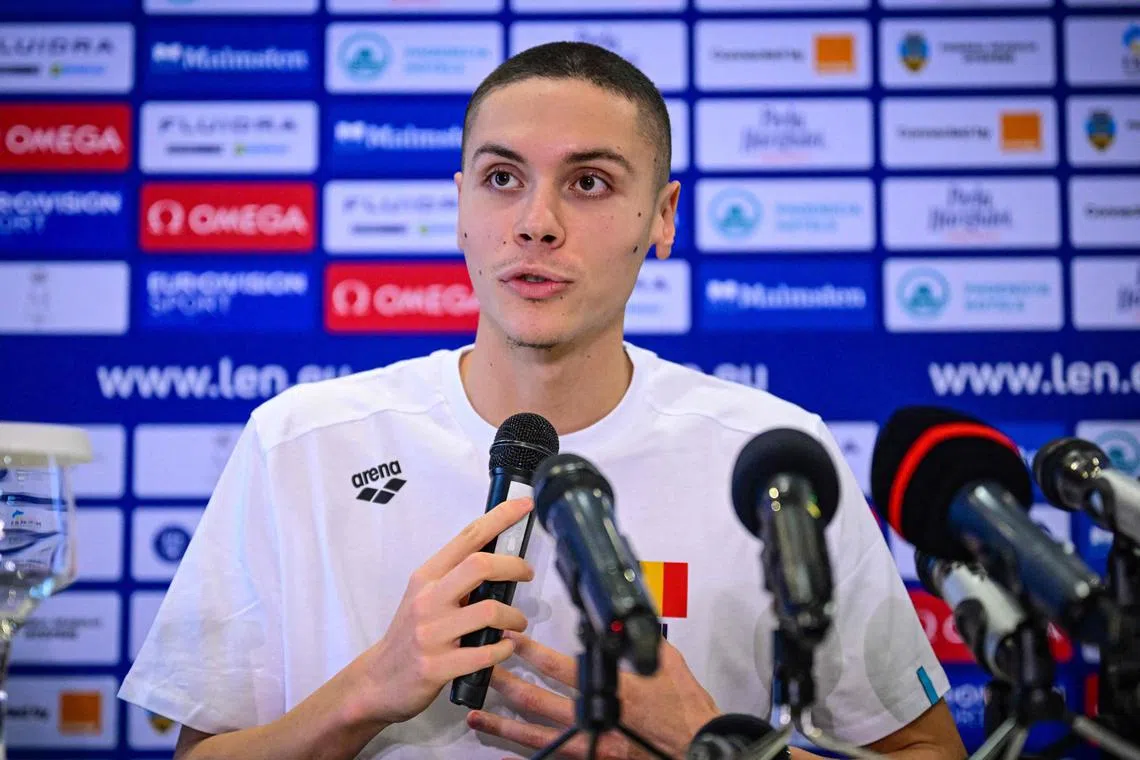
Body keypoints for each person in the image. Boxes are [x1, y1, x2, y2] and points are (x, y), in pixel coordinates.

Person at [119, 41, 968, 760]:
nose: (536, 223)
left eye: (589, 183)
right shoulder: (301, 442)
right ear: (460, 206)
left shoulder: (775, 456)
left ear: (663, 217)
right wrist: (365, 692)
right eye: (501, 178)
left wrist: (710, 743)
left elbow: (926, 750)